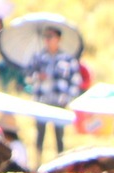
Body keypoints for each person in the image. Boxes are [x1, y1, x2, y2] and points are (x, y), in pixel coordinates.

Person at [23, 24, 82, 158]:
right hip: (41, 100)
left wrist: (68, 98)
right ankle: (37, 162)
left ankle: (59, 163)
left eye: (50, 36)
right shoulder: (38, 57)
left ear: (58, 38)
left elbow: (75, 81)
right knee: (39, 134)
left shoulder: (67, 59)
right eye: (45, 37)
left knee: (59, 136)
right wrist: (37, 77)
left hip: (59, 101)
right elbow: (27, 77)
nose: (47, 40)